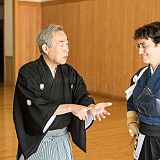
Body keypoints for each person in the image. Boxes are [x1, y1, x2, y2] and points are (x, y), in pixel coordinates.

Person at [13, 24, 112, 160]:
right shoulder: (28, 72)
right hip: (37, 142)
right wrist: (70, 107)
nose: (67, 49)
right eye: (61, 45)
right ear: (45, 48)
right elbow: (35, 107)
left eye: (67, 44)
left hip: (61, 140)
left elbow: (81, 95)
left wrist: (91, 108)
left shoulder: (69, 72)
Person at [126, 21, 160, 160]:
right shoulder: (139, 75)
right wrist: (131, 120)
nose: (140, 51)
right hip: (144, 135)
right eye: (138, 46)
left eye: (144, 46)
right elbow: (131, 100)